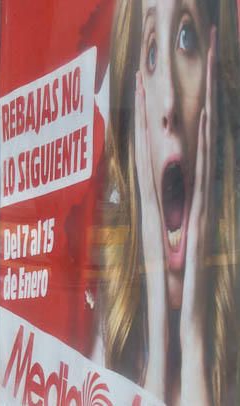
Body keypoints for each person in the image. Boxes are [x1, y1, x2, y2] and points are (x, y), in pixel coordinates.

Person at [98, 0, 240, 403]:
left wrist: (193, 340)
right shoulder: (107, 326)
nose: (170, 105)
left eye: (187, 37)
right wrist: (160, 334)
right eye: (152, 51)